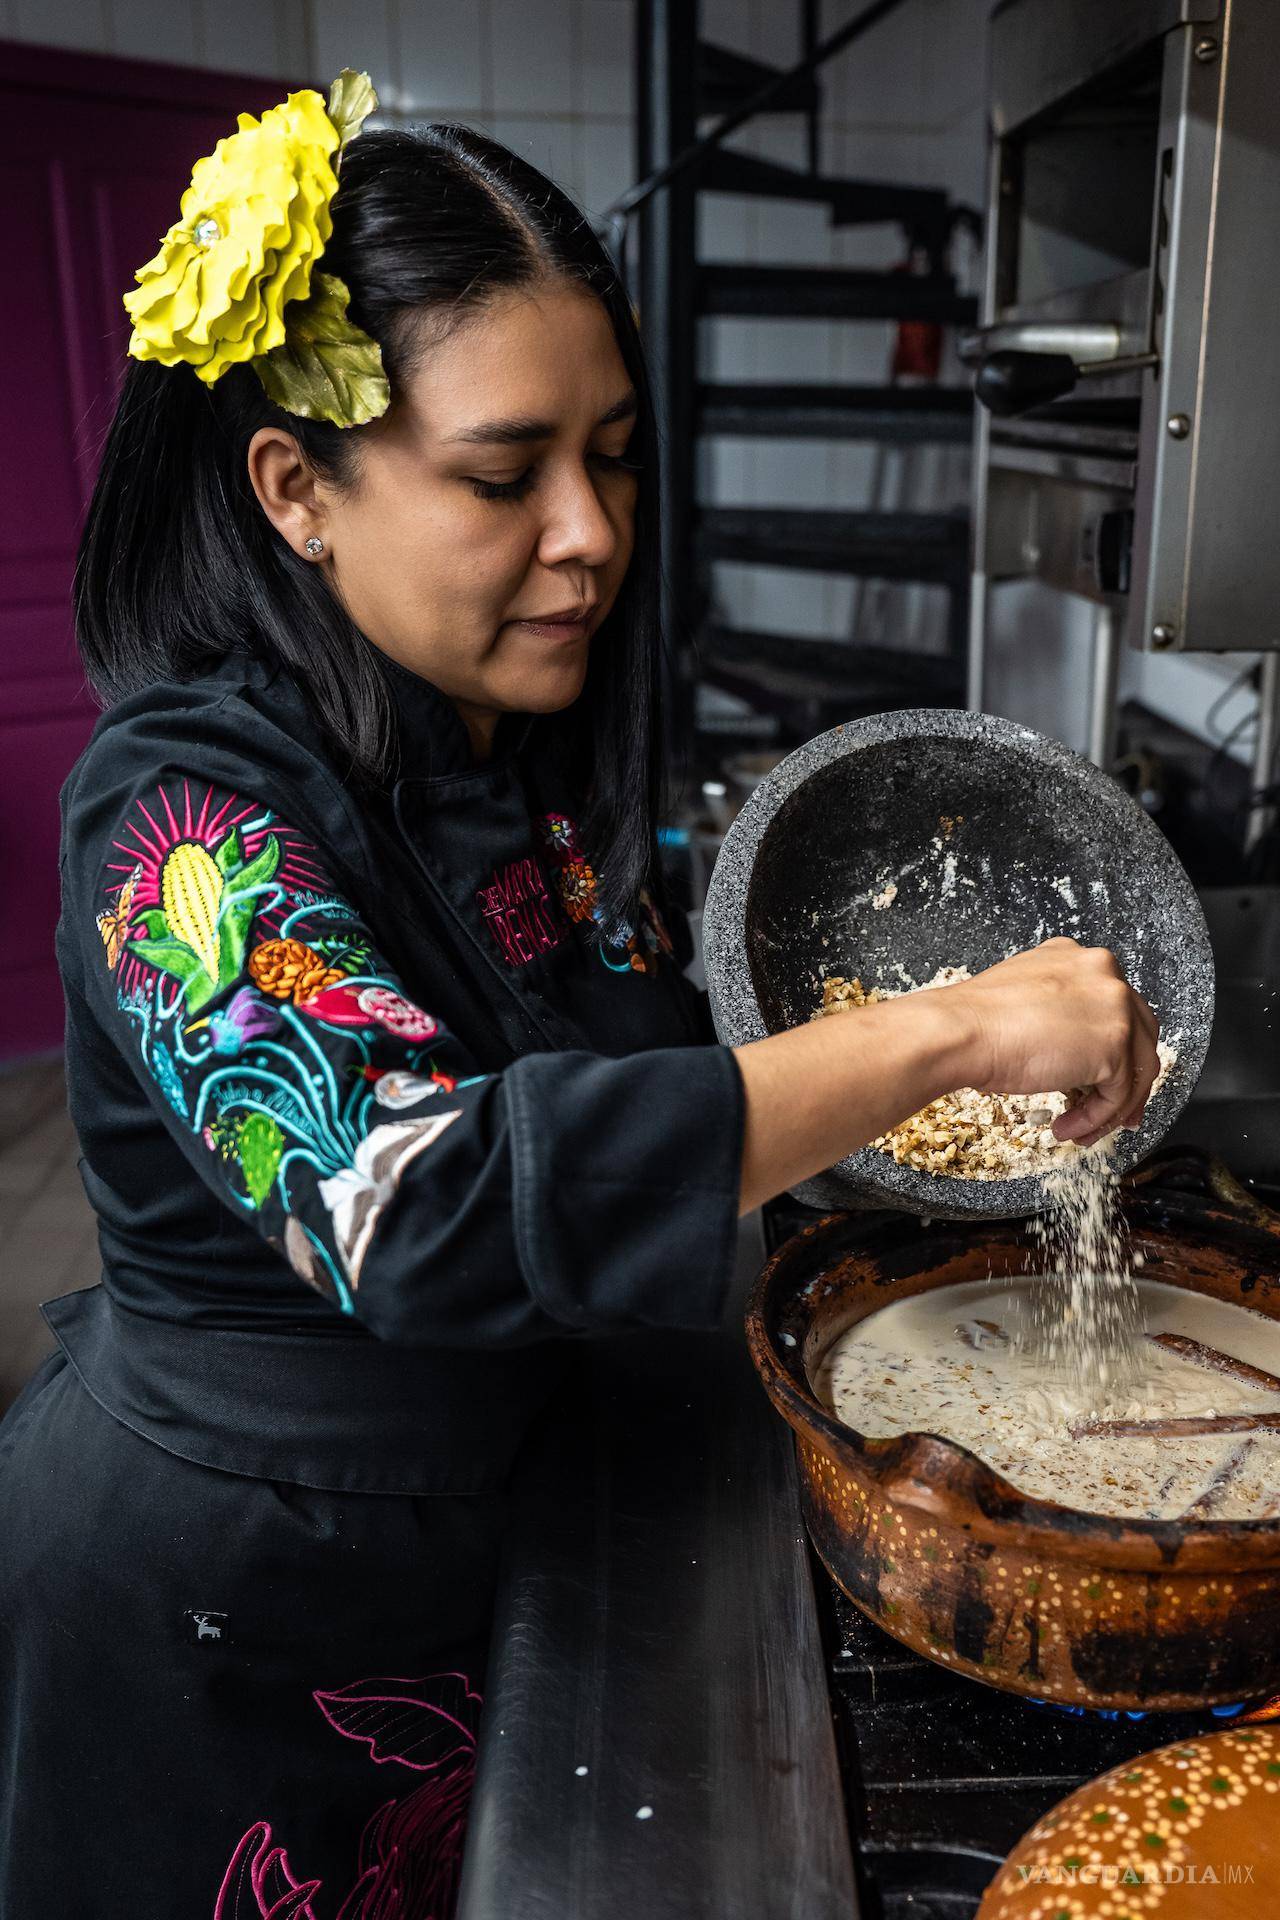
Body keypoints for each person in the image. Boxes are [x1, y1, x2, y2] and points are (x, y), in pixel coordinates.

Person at [0, 79, 1160, 1916]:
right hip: (236, 1617)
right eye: (502, 475)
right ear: (297, 491)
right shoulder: (177, 823)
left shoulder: (499, 751)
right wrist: (939, 1033)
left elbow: (633, 1063)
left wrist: (886, 1089)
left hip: (482, 1544)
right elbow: (420, 1200)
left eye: (612, 457)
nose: (591, 532)